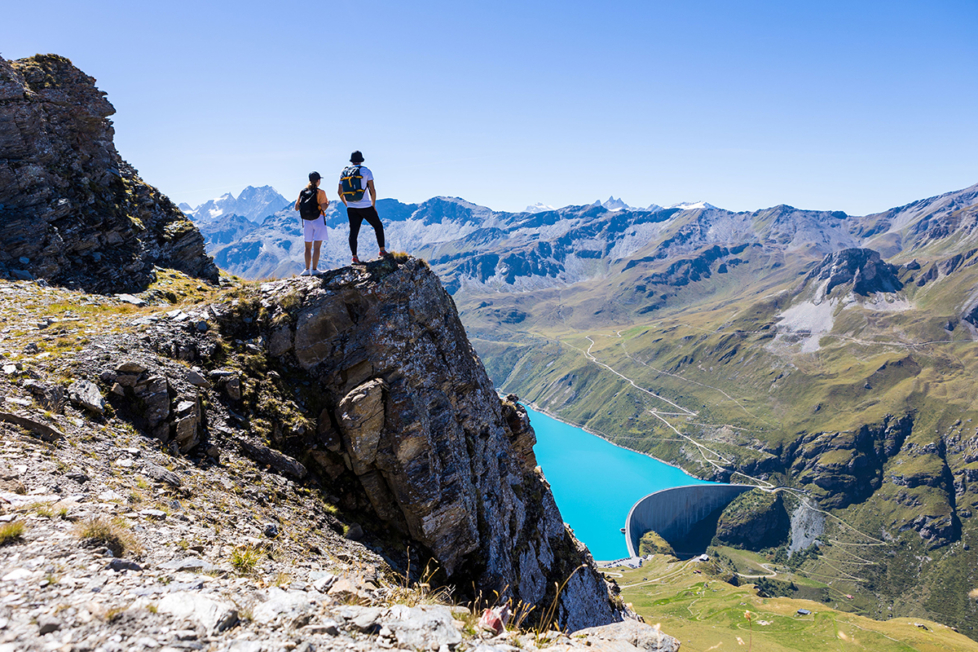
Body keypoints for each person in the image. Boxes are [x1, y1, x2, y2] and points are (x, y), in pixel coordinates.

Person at [338, 151, 388, 264]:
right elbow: (372, 190)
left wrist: (347, 204)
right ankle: (382, 251)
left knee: (353, 232)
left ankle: (354, 257)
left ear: (351, 160)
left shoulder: (344, 171)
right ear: (361, 160)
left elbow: (339, 191)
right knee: (378, 226)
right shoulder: (366, 171)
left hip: (351, 207)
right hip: (365, 205)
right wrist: (373, 205)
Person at [294, 171, 329, 276]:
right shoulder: (321, 192)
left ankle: (306, 269)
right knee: (317, 246)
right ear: (318, 180)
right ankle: (314, 269)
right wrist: (327, 204)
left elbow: (296, 207)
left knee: (307, 246)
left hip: (306, 221)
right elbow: (323, 207)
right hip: (318, 219)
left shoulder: (302, 192)